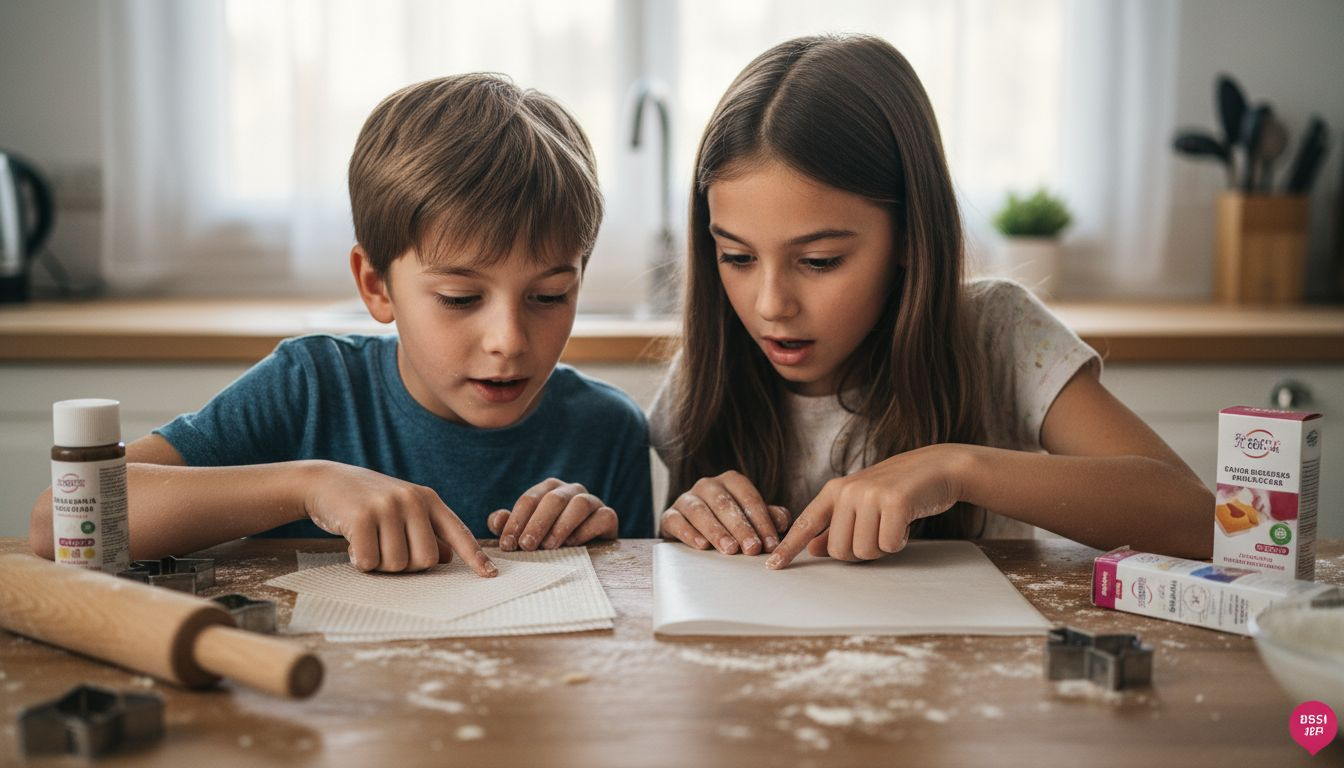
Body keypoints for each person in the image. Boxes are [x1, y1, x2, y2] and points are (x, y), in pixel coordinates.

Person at [30, 74, 653, 574]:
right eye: (460, 298)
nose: (509, 341)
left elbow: (628, 620)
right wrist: (308, 485)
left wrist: (607, 547)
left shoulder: (607, 429)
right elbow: (57, 519)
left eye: (548, 296)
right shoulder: (308, 388)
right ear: (376, 286)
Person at [650, 34, 1212, 568]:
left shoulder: (998, 333)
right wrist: (690, 520)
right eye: (737, 257)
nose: (772, 305)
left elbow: (1200, 520)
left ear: (909, 237)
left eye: (819, 261)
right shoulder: (704, 374)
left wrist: (956, 468)